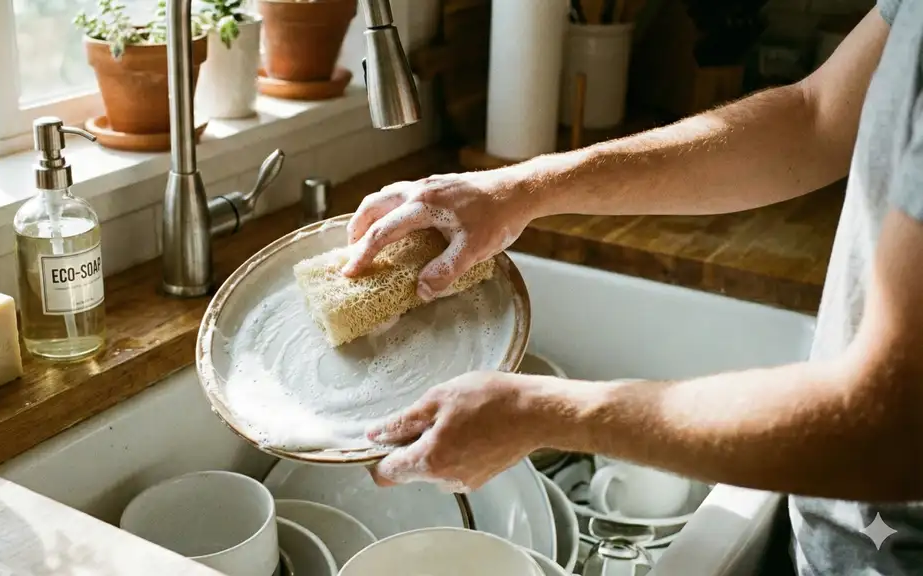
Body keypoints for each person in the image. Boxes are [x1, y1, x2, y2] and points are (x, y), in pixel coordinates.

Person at [341, 2, 923, 574]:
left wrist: (539, 412)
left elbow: (888, 429)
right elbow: (813, 115)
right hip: (841, 534)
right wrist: (519, 188)